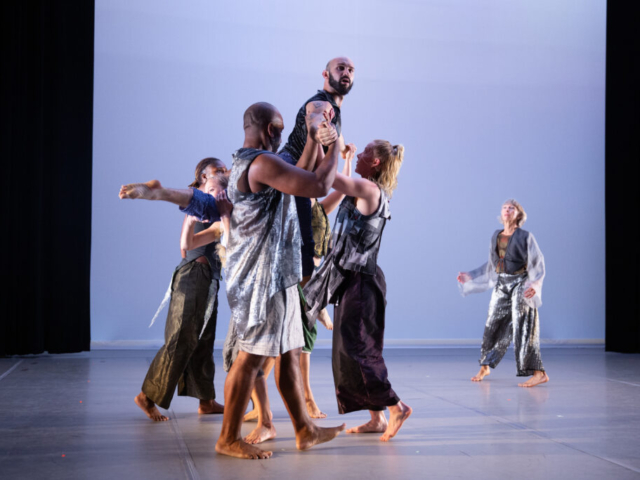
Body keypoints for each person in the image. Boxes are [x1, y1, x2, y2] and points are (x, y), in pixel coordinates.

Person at [180, 102, 345, 459]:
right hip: (261, 282)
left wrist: (313, 132)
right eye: (282, 129)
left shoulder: (257, 162)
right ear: (271, 130)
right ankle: (227, 439)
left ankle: (305, 430)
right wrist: (334, 145)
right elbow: (316, 183)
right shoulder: (258, 162)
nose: (283, 136)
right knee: (250, 360)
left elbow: (298, 174)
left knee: (289, 353)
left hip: (278, 275)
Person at [303, 140, 412, 442]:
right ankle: (376, 418)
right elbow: (343, 188)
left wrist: (329, 147)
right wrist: (346, 159)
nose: (360, 155)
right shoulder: (364, 189)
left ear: (376, 163)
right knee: (348, 351)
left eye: (365, 153)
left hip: (362, 282)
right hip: (350, 279)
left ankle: (396, 406)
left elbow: (329, 180)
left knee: (358, 348)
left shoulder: (371, 191)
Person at [119, 158, 230, 422]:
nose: (224, 173)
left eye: (225, 170)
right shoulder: (200, 200)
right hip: (193, 276)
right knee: (182, 338)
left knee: (203, 341)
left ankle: (206, 400)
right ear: (203, 177)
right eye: (218, 170)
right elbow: (185, 246)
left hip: (211, 278)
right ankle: (146, 396)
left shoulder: (219, 203)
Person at [276, 56, 357, 418]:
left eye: (351, 70)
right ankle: (314, 309)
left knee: (304, 281)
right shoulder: (321, 103)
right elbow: (315, 115)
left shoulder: (335, 115)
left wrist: (339, 153)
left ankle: (313, 308)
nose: (347, 73)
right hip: (287, 182)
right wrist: (322, 133)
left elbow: (331, 187)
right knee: (300, 277)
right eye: (340, 68)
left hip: (298, 190)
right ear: (326, 75)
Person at [457, 200, 549, 388]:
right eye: (505, 207)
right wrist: (471, 275)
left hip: (520, 282)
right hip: (502, 283)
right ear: (501, 213)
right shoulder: (496, 236)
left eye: (512, 208)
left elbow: (538, 263)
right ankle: (485, 365)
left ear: (518, 214)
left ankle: (539, 372)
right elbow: (492, 265)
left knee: (523, 325)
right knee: (492, 323)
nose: (507, 210)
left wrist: (536, 284)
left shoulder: (525, 236)